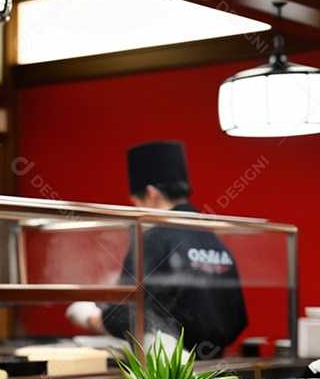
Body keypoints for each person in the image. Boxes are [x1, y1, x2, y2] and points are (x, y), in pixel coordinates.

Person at [66, 140, 247, 358]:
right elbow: (239, 319)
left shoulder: (153, 240)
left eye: (136, 202)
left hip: (169, 375)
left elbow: (126, 318)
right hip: (218, 369)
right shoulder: (215, 241)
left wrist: (89, 317)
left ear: (151, 194)